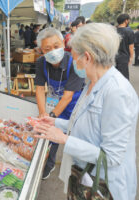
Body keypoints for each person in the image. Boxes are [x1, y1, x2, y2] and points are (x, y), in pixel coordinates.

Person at [34, 23, 138, 200]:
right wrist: (54, 122)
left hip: (104, 185)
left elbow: (112, 157)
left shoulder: (117, 92)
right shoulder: (92, 82)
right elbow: (84, 124)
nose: (73, 61)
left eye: (74, 56)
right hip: (84, 176)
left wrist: (64, 139)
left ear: (87, 57)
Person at [34, 28, 85, 179]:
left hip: (73, 105)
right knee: (51, 136)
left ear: (63, 43)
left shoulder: (74, 62)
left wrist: (51, 116)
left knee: (76, 136)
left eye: (56, 46)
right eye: (47, 49)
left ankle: (78, 168)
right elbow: (39, 89)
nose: (53, 51)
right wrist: (43, 113)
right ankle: (48, 166)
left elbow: (68, 96)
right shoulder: (41, 63)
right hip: (54, 103)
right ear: (41, 51)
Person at [115, 13, 134, 79]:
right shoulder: (129, 31)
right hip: (124, 58)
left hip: (113, 57)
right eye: (128, 20)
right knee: (123, 77)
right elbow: (131, 46)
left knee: (114, 76)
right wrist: (131, 57)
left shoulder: (114, 30)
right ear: (126, 21)